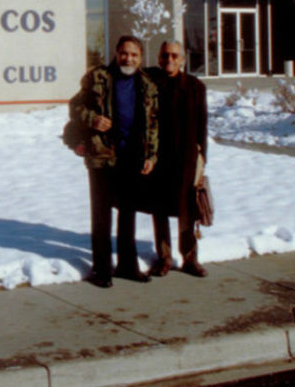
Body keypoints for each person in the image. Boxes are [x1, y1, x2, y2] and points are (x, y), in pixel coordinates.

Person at [69, 35, 159, 288]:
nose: (128, 58)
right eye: (123, 53)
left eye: (133, 54)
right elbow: (74, 107)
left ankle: (127, 266)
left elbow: (153, 124)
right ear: (116, 53)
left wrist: (151, 155)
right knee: (101, 214)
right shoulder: (97, 77)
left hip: (132, 157)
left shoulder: (147, 85)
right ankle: (101, 269)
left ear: (141, 58)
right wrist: (92, 119)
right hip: (101, 156)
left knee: (128, 213)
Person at [144, 40, 209, 278]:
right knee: (159, 209)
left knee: (187, 209)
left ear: (182, 59)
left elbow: (202, 125)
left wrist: (202, 160)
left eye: (174, 55)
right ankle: (164, 257)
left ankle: (190, 258)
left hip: (186, 157)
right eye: (164, 56)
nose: (168, 60)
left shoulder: (194, 86)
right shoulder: (150, 83)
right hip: (159, 157)